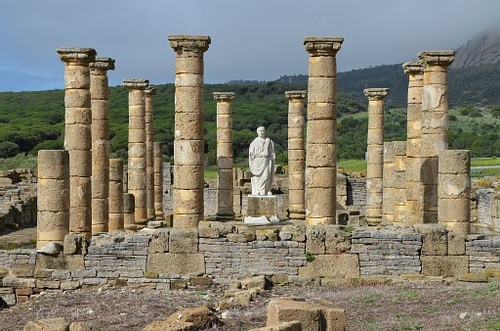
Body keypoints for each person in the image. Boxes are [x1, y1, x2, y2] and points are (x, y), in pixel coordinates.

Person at [249, 126, 275, 195]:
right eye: (259, 131)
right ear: (257, 132)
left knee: (266, 176)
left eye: (262, 131)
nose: (261, 132)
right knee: (257, 177)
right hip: (257, 162)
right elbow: (251, 153)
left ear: (265, 131)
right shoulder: (254, 142)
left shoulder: (268, 141)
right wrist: (257, 155)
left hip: (265, 161)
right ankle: (258, 190)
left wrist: (271, 157)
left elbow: (271, 153)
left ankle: (266, 189)